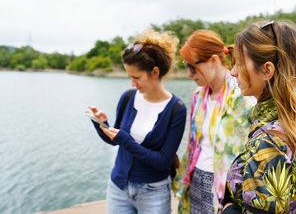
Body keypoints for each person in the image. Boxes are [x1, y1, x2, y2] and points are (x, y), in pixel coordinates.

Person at [221, 20, 296, 213]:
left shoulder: (267, 141)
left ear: (267, 70)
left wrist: (228, 208)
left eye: (240, 63)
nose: (233, 72)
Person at [87, 29, 187, 214]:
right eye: (130, 77)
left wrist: (126, 140)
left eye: (136, 77)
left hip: (154, 193)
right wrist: (102, 124)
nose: (132, 83)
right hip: (118, 187)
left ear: (155, 72)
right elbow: (114, 139)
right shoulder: (128, 97)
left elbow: (163, 161)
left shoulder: (176, 109)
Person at [173, 30, 255, 214]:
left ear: (214, 61)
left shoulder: (242, 96)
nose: (188, 73)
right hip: (195, 178)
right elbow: (194, 144)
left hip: (226, 187)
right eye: (186, 66)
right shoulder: (198, 95)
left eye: (193, 66)